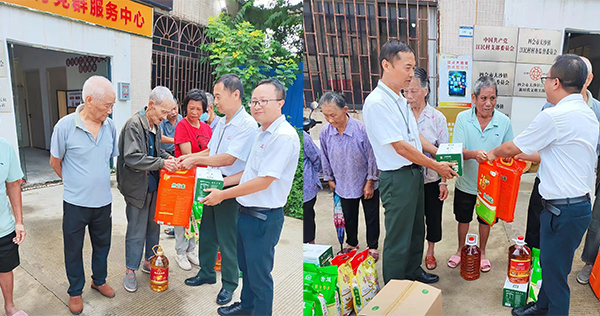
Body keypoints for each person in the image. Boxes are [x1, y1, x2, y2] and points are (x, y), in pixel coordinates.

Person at [487, 54, 598, 316]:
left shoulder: (555, 116)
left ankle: (551, 309)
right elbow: (548, 152)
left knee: (557, 279)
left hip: (563, 211)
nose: (545, 84)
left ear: (556, 82)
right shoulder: (588, 114)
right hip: (573, 208)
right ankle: (541, 308)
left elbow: (513, 147)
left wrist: (492, 153)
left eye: (546, 79)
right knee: (550, 267)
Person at [200, 78, 300, 316]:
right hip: (246, 214)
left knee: (259, 276)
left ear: (281, 103)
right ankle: (246, 308)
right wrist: (218, 184)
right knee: (247, 268)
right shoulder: (262, 133)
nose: (257, 106)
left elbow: (263, 181)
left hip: (263, 217)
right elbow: (248, 173)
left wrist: (223, 194)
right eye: (254, 101)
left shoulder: (282, 136)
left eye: (264, 101)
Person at [362, 39, 457, 285]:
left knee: (416, 229)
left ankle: (413, 271)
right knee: (398, 237)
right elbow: (401, 147)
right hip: (397, 177)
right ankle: (394, 287)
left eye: (413, 67)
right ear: (386, 65)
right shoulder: (377, 103)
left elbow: (416, 138)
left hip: (414, 174)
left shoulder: (400, 100)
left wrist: (440, 153)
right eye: (407, 67)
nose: (411, 74)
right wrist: (436, 166)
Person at [178, 74, 258, 306]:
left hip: (230, 187)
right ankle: (206, 272)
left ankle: (230, 284)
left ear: (236, 95)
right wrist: (191, 157)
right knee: (208, 231)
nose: (214, 102)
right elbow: (210, 151)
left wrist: (194, 161)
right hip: (211, 182)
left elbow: (228, 158)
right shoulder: (221, 121)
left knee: (228, 238)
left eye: (218, 96)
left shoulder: (246, 125)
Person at [49, 76, 118, 315]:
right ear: (89, 100)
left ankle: (98, 280)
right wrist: (73, 183)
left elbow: (108, 160)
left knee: (102, 246)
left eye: (113, 105)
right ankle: (75, 291)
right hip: (76, 203)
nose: (110, 110)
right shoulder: (65, 126)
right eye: (107, 105)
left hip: (103, 202)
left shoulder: (110, 126)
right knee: (73, 248)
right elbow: (55, 161)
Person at [446, 76, 514, 273]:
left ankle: (482, 252)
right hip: (466, 182)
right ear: (474, 98)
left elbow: (508, 150)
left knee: (486, 220)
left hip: (491, 186)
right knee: (463, 218)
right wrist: (474, 154)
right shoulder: (462, 119)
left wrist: (502, 158)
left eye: (492, 98)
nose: (488, 103)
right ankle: (460, 250)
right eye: (483, 98)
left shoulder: (503, 122)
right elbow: (457, 150)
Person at [117, 86, 179, 293]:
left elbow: (156, 150)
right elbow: (133, 157)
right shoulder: (134, 125)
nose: (166, 116)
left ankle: (149, 260)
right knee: (136, 229)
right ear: (151, 105)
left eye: (169, 112)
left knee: (154, 226)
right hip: (136, 187)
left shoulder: (156, 124)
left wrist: (167, 157)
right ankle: (130, 270)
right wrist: (162, 164)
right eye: (164, 111)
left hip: (153, 185)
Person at [319, 92, 381, 260]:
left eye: (333, 115)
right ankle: (352, 243)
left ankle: (372, 246)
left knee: (371, 215)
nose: (330, 120)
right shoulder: (325, 132)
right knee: (349, 215)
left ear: (345, 110)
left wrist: (370, 181)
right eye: (325, 115)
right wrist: (329, 178)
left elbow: (372, 157)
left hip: (365, 181)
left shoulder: (362, 130)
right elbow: (324, 156)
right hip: (342, 182)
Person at [404, 67, 449, 270]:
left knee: (432, 217)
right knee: (411, 220)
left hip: (431, 179)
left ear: (425, 90)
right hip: (407, 178)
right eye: (406, 91)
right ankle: (413, 253)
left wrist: (444, 181)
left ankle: (430, 252)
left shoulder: (436, 118)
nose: (409, 95)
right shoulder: (402, 115)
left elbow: (445, 151)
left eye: (413, 91)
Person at [172, 89, 213, 270]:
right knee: (182, 216)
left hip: (203, 179)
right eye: (191, 108)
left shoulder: (206, 128)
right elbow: (188, 156)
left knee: (197, 216)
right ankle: (180, 252)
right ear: (185, 107)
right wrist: (206, 154)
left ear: (204, 110)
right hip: (186, 178)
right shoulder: (182, 125)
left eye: (198, 109)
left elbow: (214, 152)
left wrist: (205, 156)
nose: (194, 112)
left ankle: (191, 250)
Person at [0, 137, 27, 316]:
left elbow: (13, 184)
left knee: (5, 268)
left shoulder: (5, 147)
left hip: (3, 226)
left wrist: (18, 221)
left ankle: (9, 306)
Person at [303, 130, 322, 244]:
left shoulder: (304, 137)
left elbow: (317, 157)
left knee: (308, 218)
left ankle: (311, 245)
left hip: (308, 188)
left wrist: (314, 174)